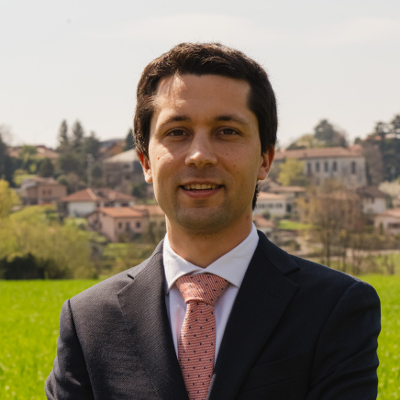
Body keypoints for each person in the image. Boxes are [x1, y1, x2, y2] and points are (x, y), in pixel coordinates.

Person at [45, 43, 380, 400]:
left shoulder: (334, 308)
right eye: (177, 132)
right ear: (145, 162)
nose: (200, 155)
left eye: (227, 131)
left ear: (265, 159)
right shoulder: (89, 321)